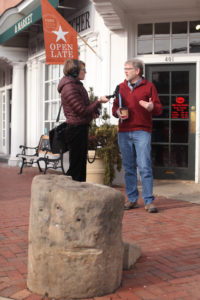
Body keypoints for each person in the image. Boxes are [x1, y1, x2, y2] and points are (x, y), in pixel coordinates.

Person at [112, 58, 163, 213]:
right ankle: (132, 199)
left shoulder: (149, 86)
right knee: (129, 168)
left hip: (142, 131)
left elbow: (159, 109)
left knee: (145, 166)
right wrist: (117, 113)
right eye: (124, 69)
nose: (125, 71)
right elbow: (114, 108)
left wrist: (151, 106)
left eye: (127, 68)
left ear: (137, 71)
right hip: (124, 132)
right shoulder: (120, 87)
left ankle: (148, 201)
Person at [58, 58, 109, 182]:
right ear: (74, 71)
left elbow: (83, 109)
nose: (85, 72)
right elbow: (81, 110)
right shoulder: (69, 87)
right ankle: (73, 195)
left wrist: (93, 113)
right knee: (76, 168)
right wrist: (98, 101)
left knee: (81, 166)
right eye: (83, 70)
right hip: (75, 130)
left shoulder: (76, 85)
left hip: (80, 128)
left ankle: (79, 194)